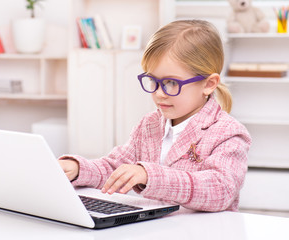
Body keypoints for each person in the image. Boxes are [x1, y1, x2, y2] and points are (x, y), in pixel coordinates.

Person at [59, 19, 251, 212]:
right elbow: (116, 169)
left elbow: (220, 190)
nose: (159, 93)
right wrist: (78, 169)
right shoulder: (150, 125)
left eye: (172, 83)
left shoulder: (228, 133)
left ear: (209, 84)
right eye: (153, 81)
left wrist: (150, 175)